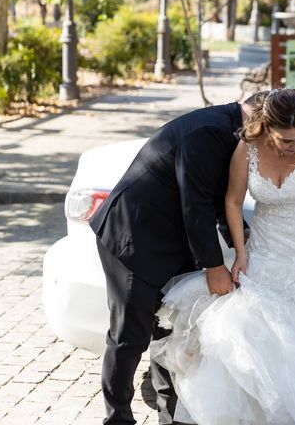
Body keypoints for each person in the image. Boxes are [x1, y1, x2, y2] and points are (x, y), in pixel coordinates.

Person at [151, 88, 295, 425]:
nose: (294, 145)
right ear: (267, 127)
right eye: (285, 139)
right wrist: (240, 252)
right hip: (266, 248)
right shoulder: (246, 148)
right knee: (259, 332)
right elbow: (232, 201)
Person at [89, 92, 268, 425]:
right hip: (134, 237)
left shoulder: (234, 132)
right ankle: (117, 419)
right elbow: (195, 204)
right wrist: (215, 267)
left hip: (172, 241)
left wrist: (245, 244)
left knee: (170, 332)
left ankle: (169, 417)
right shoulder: (208, 133)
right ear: (254, 119)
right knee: (129, 336)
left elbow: (219, 200)